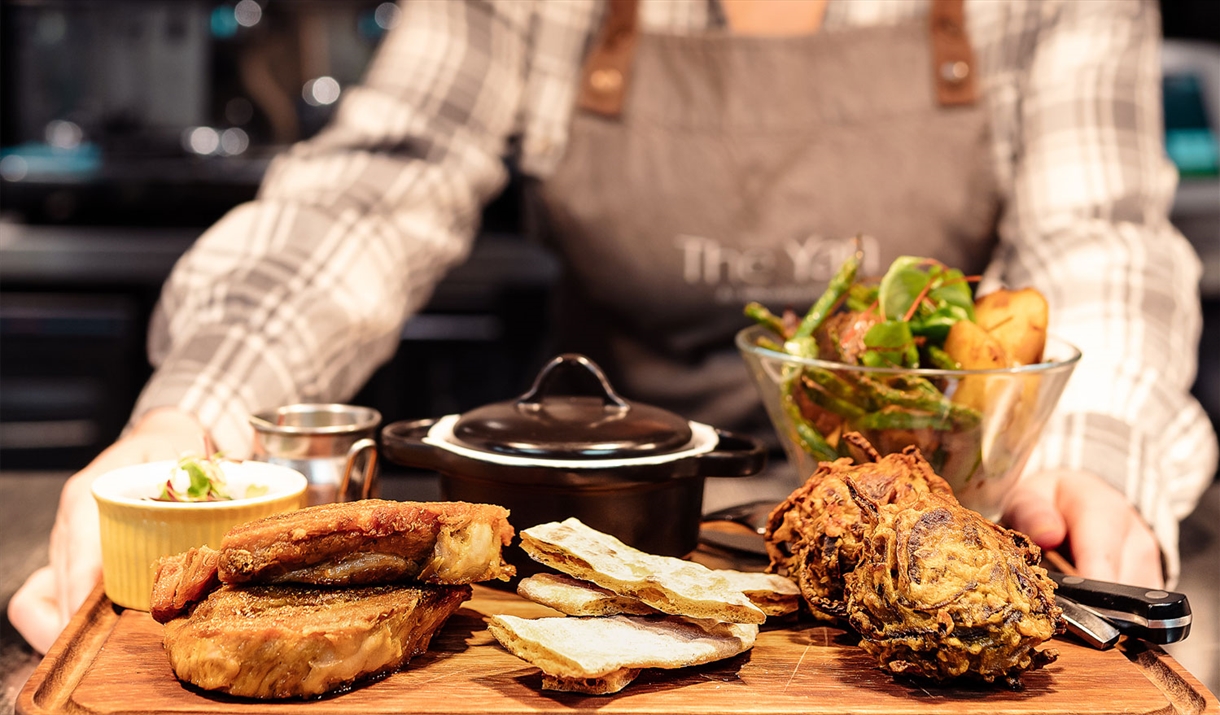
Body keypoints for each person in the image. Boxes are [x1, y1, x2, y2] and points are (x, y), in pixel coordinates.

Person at [10, 0, 1217, 655]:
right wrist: (192, 429)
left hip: (968, 519)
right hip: (603, 550)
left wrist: (1088, 459)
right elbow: (372, 189)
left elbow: (1099, 235)